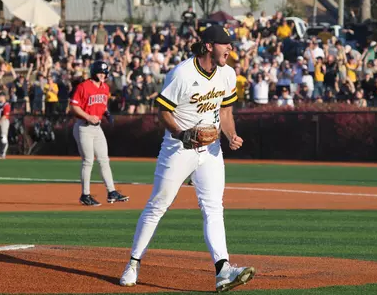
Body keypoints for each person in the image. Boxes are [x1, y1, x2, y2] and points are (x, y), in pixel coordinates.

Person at [119, 25, 255, 292]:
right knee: (158, 205)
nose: (229, 48)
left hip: (212, 149)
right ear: (208, 46)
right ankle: (133, 263)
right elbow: (163, 111)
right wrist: (181, 134)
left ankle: (223, 270)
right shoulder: (182, 73)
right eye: (224, 43)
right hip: (178, 148)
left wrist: (231, 134)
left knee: (214, 207)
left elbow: (225, 111)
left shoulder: (227, 73)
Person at [70, 60, 129, 206]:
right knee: (88, 161)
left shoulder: (105, 88)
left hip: (97, 128)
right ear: (93, 72)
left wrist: (107, 113)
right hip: (83, 127)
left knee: (104, 159)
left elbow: (102, 105)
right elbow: (74, 107)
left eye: (104, 73)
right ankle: (85, 195)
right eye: (100, 72)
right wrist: (88, 116)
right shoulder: (83, 86)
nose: (102, 75)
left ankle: (112, 192)